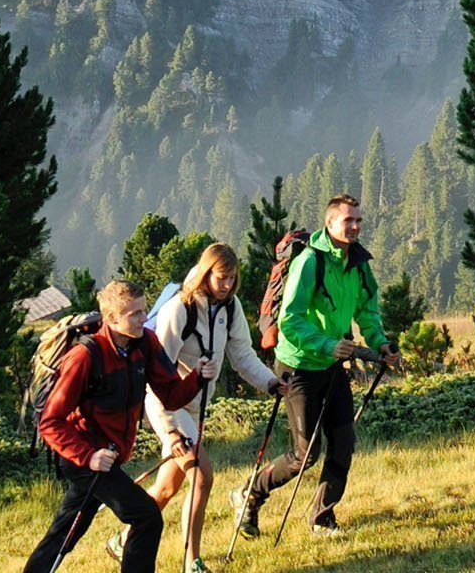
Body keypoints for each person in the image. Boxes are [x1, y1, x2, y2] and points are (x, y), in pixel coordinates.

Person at [102, 244, 284, 573]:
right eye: (221, 277)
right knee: (202, 477)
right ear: (205, 272)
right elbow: (155, 376)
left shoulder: (231, 307)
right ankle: (192, 563)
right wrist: (170, 429)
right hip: (167, 406)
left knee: (168, 487)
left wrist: (271, 383)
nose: (228, 284)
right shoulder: (179, 309)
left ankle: (123, 538)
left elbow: (242, 356)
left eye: (232, 278)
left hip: (196, 407)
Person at [234, 194, 403, 539]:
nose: (355, 226)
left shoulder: (358, 263)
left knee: (343, 442)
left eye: (358, 221)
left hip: (331, 364)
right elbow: (290, 320)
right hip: (298, 366)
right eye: (348, 221)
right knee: (305, 454)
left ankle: (322, 518)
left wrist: (380, 342)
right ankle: (250, 493)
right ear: (330, 223)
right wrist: (328, 344)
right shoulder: (310, 262)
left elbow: (367, 311)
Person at [23, 280, 211, 573]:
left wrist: (197, 376)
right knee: (145, 516)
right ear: (111, 318)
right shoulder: (85, 356)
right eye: (135, 313)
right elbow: (50, 420)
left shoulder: (144, 344)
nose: (144, 318)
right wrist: (89, 457)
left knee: (66, 531)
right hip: (86, 460)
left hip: (106, 459)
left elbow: (172, 396)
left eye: (145, 310)